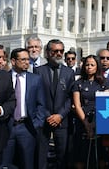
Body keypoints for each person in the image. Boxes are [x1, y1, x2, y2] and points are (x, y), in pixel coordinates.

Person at [1, 48, 46, 169]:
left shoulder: (35, 79)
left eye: (28, 59)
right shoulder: (3, 78)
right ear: (13, 61)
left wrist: (37, 124)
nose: (27, 62)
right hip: (6, 126)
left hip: (27, 127)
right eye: (23, 59)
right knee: (4, 163)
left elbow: (41, 104)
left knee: (27, 163)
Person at [34, 39, 75, 169]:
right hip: (44, 119)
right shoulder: (38, 71)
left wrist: (60, 115)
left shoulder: (69, 72)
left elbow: (70, 98)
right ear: (47, 53)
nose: (58, 54)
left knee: (62, 157)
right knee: (41, 157)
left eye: (61, 51)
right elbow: (37, 97)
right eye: (55, 51)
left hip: (62, 120)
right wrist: (48, 115)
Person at [72, 55, 108, 169]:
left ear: (97, 66)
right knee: (81, 156)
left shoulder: (104, 83)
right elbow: (77, 105)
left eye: (92, 65)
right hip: (82, 122)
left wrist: (95, 123)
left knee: (100, 157)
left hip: (100, 121)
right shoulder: (78, 83)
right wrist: (86, 123)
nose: (89, 67)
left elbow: (105, 103)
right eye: (87, 64)